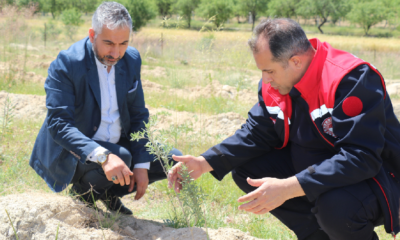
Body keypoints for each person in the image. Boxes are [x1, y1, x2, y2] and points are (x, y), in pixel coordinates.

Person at [168, 18, 400, 240]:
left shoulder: (349, 79)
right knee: (247, 170)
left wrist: (290, 187)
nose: (265, 80)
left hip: (380, 179)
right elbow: (257, 132)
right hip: (319, 171)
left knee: (335, 206)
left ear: (296, 61)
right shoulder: (278, 85)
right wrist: (205, 161)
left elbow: (362, 158)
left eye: (269, 71)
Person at [30, 2, 181, 215]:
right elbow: (58, 125)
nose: (116, 52)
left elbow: (138, 115)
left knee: (171, 158)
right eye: (108, 43)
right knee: (121, 156)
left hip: (118, 143)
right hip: (74, 152)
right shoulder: (67, 63)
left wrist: (142, 165)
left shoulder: (131, 59)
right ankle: (82, 196)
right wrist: (103, 156)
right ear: (92, 35)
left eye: (123, 44)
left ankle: (107, 195)